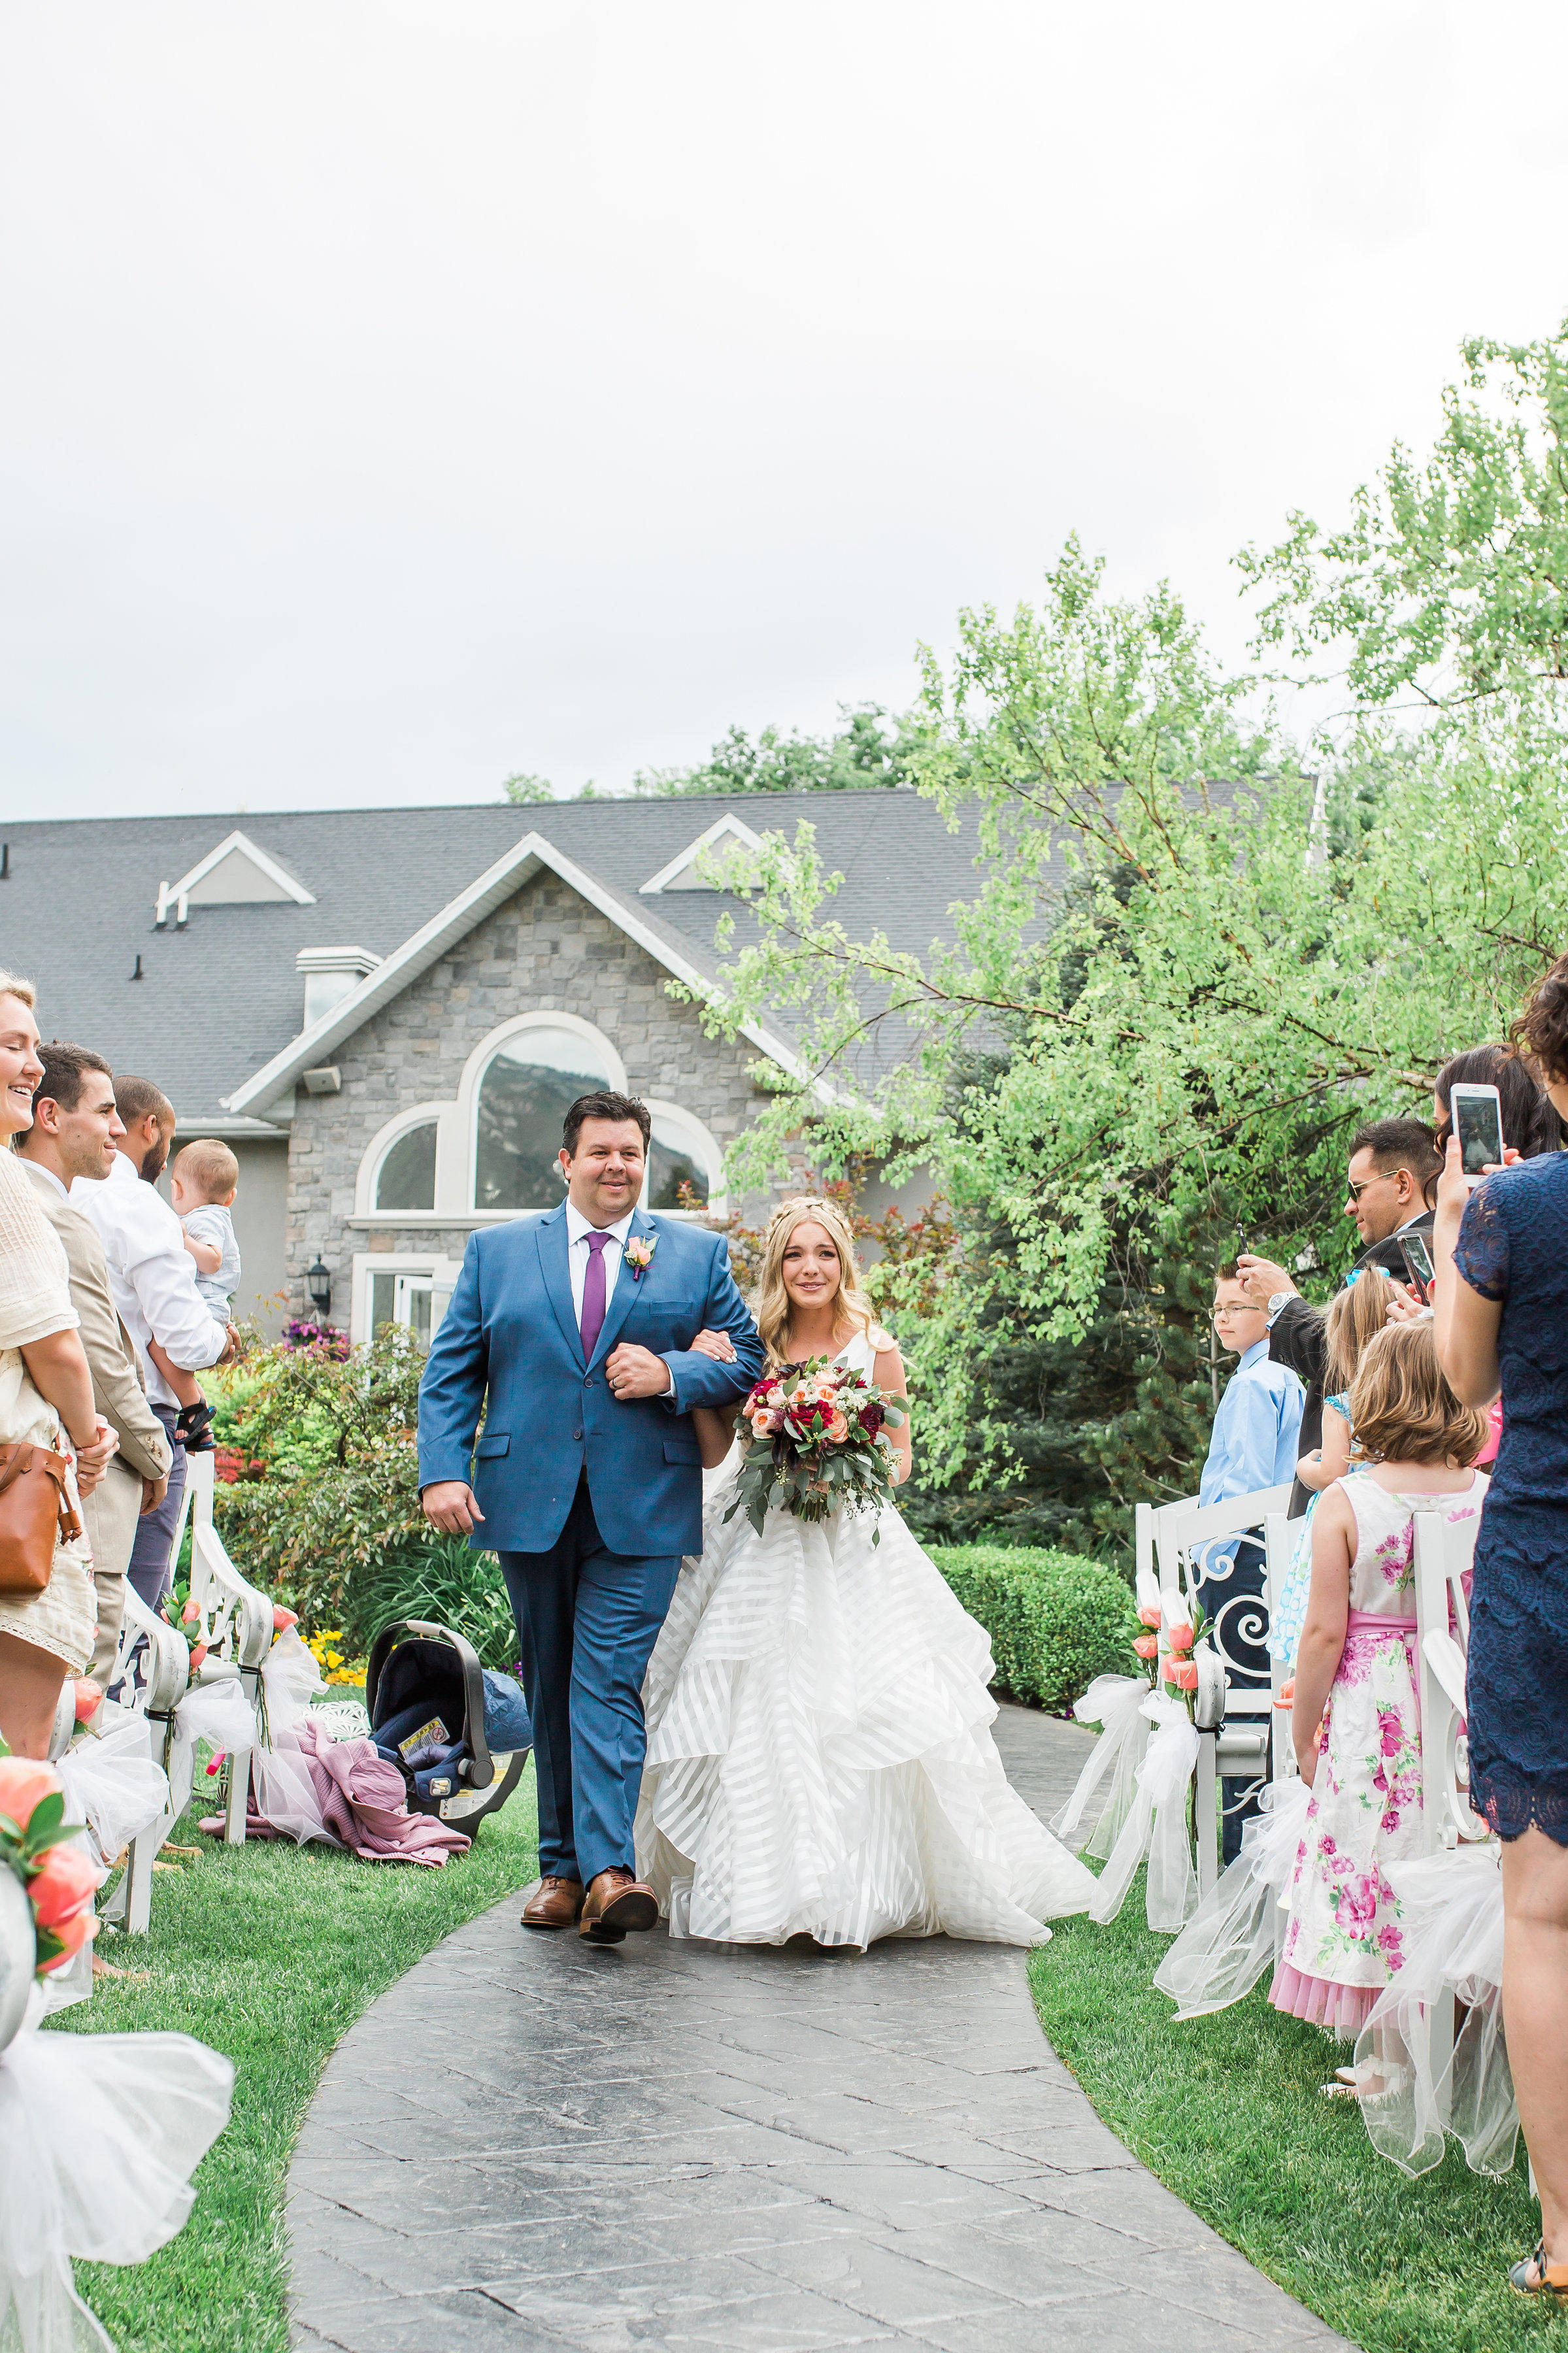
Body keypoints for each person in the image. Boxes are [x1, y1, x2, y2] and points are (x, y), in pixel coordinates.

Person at [634, 1195, 1097, 1948]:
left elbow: (901, 1459)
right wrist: (702, 1378)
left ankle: (854, 1887)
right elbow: (721, 1454)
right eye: (793, 1254)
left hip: (850, 1542)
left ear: (843, 1262)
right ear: (777, 1266)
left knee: (853, 1710)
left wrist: (834, 1459)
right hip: (758, 1540)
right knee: (758, 1704)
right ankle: (759, 1882)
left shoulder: (874, 1347)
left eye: (823, 1253)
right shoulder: (751, 1343)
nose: (809, 1267)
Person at [417, 1090, 765, 1946]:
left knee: (605, 1679)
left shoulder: (693, 1255)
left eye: (631, 1153)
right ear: (565, 1162)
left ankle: (609, 1873)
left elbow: (748, 1361)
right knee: (550, 1681)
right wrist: (441, 1473)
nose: (617, 1166)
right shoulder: (498, 1253)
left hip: (643, 1500)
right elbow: (452, 1371)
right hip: (525, 1498)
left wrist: (673, 1373)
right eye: (600, 1152)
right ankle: (559, 1871)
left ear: (646, 1164)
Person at [1433, 951, 1568, 2303]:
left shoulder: (1510, 1207)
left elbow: (1460, 1379)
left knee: (1540, 1916)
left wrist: (1461, 1229)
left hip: (1540, 1558)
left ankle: (1565, 2237)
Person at [1274, 1322, 1488, 2055]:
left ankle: (1391, 2060)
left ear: (1375, 1395)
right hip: (1466, 1702)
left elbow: (1322, 1636)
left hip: (1376, 1713)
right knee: (1461, 1853)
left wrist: (1303, 1733)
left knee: (1375, 1852)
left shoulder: (1346, 1503)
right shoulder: (1488, 1497)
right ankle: (1466, 2026)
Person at [12, 1042, 173, 1699]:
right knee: (82, 1680)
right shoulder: (45, 1213)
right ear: (50, 1115)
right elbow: (97, 1364)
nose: (119, 1129)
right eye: (105, 1112)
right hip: (77, 1477)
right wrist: (157, 1455)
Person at [0, 975, 119, 1756]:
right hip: (12, 1492)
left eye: (35, 1046)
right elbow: (56, 1345)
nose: (34, 1063)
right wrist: (88, 1438)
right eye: (13, 1045)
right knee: (17, 1766)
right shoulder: (6, 1186)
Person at [73, 1076, 234, 1605]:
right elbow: (185, 1342)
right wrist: (222, 1340)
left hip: (69, 1412)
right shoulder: (139, 1205)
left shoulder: (67, 1195)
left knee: (77, 1586)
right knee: (133, 1594)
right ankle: (129, 1684)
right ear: (151, 1128)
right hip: (140, 1418)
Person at [1239, 1117, 1443, 1519]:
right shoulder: (1436, 1243)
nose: (1349, 1206)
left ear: (1403, 1184)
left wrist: (1282, 1303)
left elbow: (1343, 1358)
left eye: (1358, 1190)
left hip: (1361, 1499)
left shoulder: (1404, 1254)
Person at [1192, 1263, 1305, 1861]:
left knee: (1241, 1703)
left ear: (1268, 1312)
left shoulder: (1260, 1381)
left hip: (1240, 1557)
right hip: (1264, 1552)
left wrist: (1206, 1553)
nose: (1222, 1318)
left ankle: (1241, 1846)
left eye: (1236, 1307)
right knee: (1257, 1700)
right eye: (1216, 1309)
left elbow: (1246, 1484)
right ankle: (1250, 1839)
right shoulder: (1276, 1374)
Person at [1267, 1270, 1393, 1677]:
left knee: (1327, 1607)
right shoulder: (1405, 1399)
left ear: (1340, 1339)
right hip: (1389, 1522)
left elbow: (1334, 1473)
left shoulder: (1342, 1405)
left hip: (1346, 1521)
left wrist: (1306, 1468)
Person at [144, 1139, 242, 1448]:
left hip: (207, 1308)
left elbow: (212, 1260)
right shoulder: (212, 1214)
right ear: (231, 1196)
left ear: (177, 1189)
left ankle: (193, 1408)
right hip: (208, 1307)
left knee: (159, 1346)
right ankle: (200, 1422)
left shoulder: (206, 1217)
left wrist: (184, 1238)